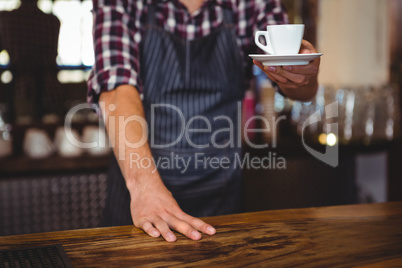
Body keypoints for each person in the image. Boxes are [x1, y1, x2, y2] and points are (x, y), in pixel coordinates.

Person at [87, 0, 320, 242]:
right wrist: (144, 186)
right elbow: (116, 88)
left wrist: (303, 74)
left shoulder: (252, 4)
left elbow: (297, 86)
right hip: (141, 198)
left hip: (221, 202)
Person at [0, 0, 63, 123]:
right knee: (54, 133)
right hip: (52, 88)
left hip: (22, 88)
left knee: (23, 132)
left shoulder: (7, 19)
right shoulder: (52, 21)